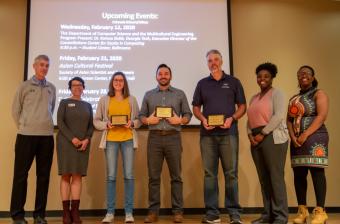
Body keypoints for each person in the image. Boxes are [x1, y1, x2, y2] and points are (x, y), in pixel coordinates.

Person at [192, 49, 246, 224]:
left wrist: (232, 118)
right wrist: (202, 119)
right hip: (207, 136)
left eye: (216, 59)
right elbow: (196, 108)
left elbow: (242, 107)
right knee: (209, 175)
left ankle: (234, 214)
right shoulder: (202, 84)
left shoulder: (233, 82)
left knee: (231, 174)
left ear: (222, 61)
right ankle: (212, 214)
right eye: (209, 60)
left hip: (229, 134)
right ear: (207, 63)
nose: (213, 63)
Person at [139, 64, 192, 223]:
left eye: (166, 73)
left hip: (173, 137)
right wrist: (147, 120)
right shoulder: (148, 95)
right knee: (153, 177)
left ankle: (177, 211)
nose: (163, 76)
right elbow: (141, 115)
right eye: (160, 73)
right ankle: (153, 212)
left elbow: (188, 115)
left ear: (170, 76)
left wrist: (180, 120)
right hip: (154, 138)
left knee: (176, 177)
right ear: (156, 76)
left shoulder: (179, 94)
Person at [10, 55, 56, 224]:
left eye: (47, 65)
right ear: (34, 66)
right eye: (41, 65)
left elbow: (51, 108)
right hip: (26, 137)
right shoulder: (24, 87)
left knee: (43, 177)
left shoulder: (52, 88)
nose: (44, 68)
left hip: (46, 138)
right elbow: (16, 110)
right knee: (20, 176)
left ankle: (39, 215)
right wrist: (25, 126)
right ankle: (17, 215)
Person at [94, 71, 141, 223]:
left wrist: (132, 123)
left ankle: (128, 212)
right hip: (111, 140)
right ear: (112, 82)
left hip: (127, 139)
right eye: (116, 80)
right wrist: (105, 124)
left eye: (121, 80)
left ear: (124, 83)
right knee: (111, 177)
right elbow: (96, 121)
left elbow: (138, 120)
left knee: (128, 176)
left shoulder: (131, 99)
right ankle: (110, 213)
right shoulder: (104, 99)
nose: (118, 82)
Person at [246, 63, 289, 224]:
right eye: (259, 76)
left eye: (266, 76)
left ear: (272, 78)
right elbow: (249, 119)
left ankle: (280, 216)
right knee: (264, 178)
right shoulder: (253, 98)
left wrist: (263, 134)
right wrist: (250, 135)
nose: (262, 79)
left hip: (272, 137)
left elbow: (278, 117)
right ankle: (267, 215)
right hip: (255, 139)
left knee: (275, 177)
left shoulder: (277, 93)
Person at [287, 65, 329, 224]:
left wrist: (305, 134)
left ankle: (320, 212)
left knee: (317, 173)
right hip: (297, 141)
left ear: (312, 77)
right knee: (299, 175)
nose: (303, 76)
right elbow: (289, 120)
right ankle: (302, 211)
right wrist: (293, 136)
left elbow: (322, 116)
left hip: (315, 138)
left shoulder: (319, 93)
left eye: (306, 74)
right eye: (300, 74)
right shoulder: (294, 98)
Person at [56, 77, 94, 224]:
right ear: (70, 88)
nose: (77, 87)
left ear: (83, 88)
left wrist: (86, 139)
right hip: (66, 143)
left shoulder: (88, 105)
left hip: (83, 145)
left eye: (80, 85)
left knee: (77, 176)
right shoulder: (64, 102)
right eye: (74, 85)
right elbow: (60, 122)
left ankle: (75, 213)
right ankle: (65, 213)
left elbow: (90, 126)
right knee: (66, 176)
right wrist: (72, 138)